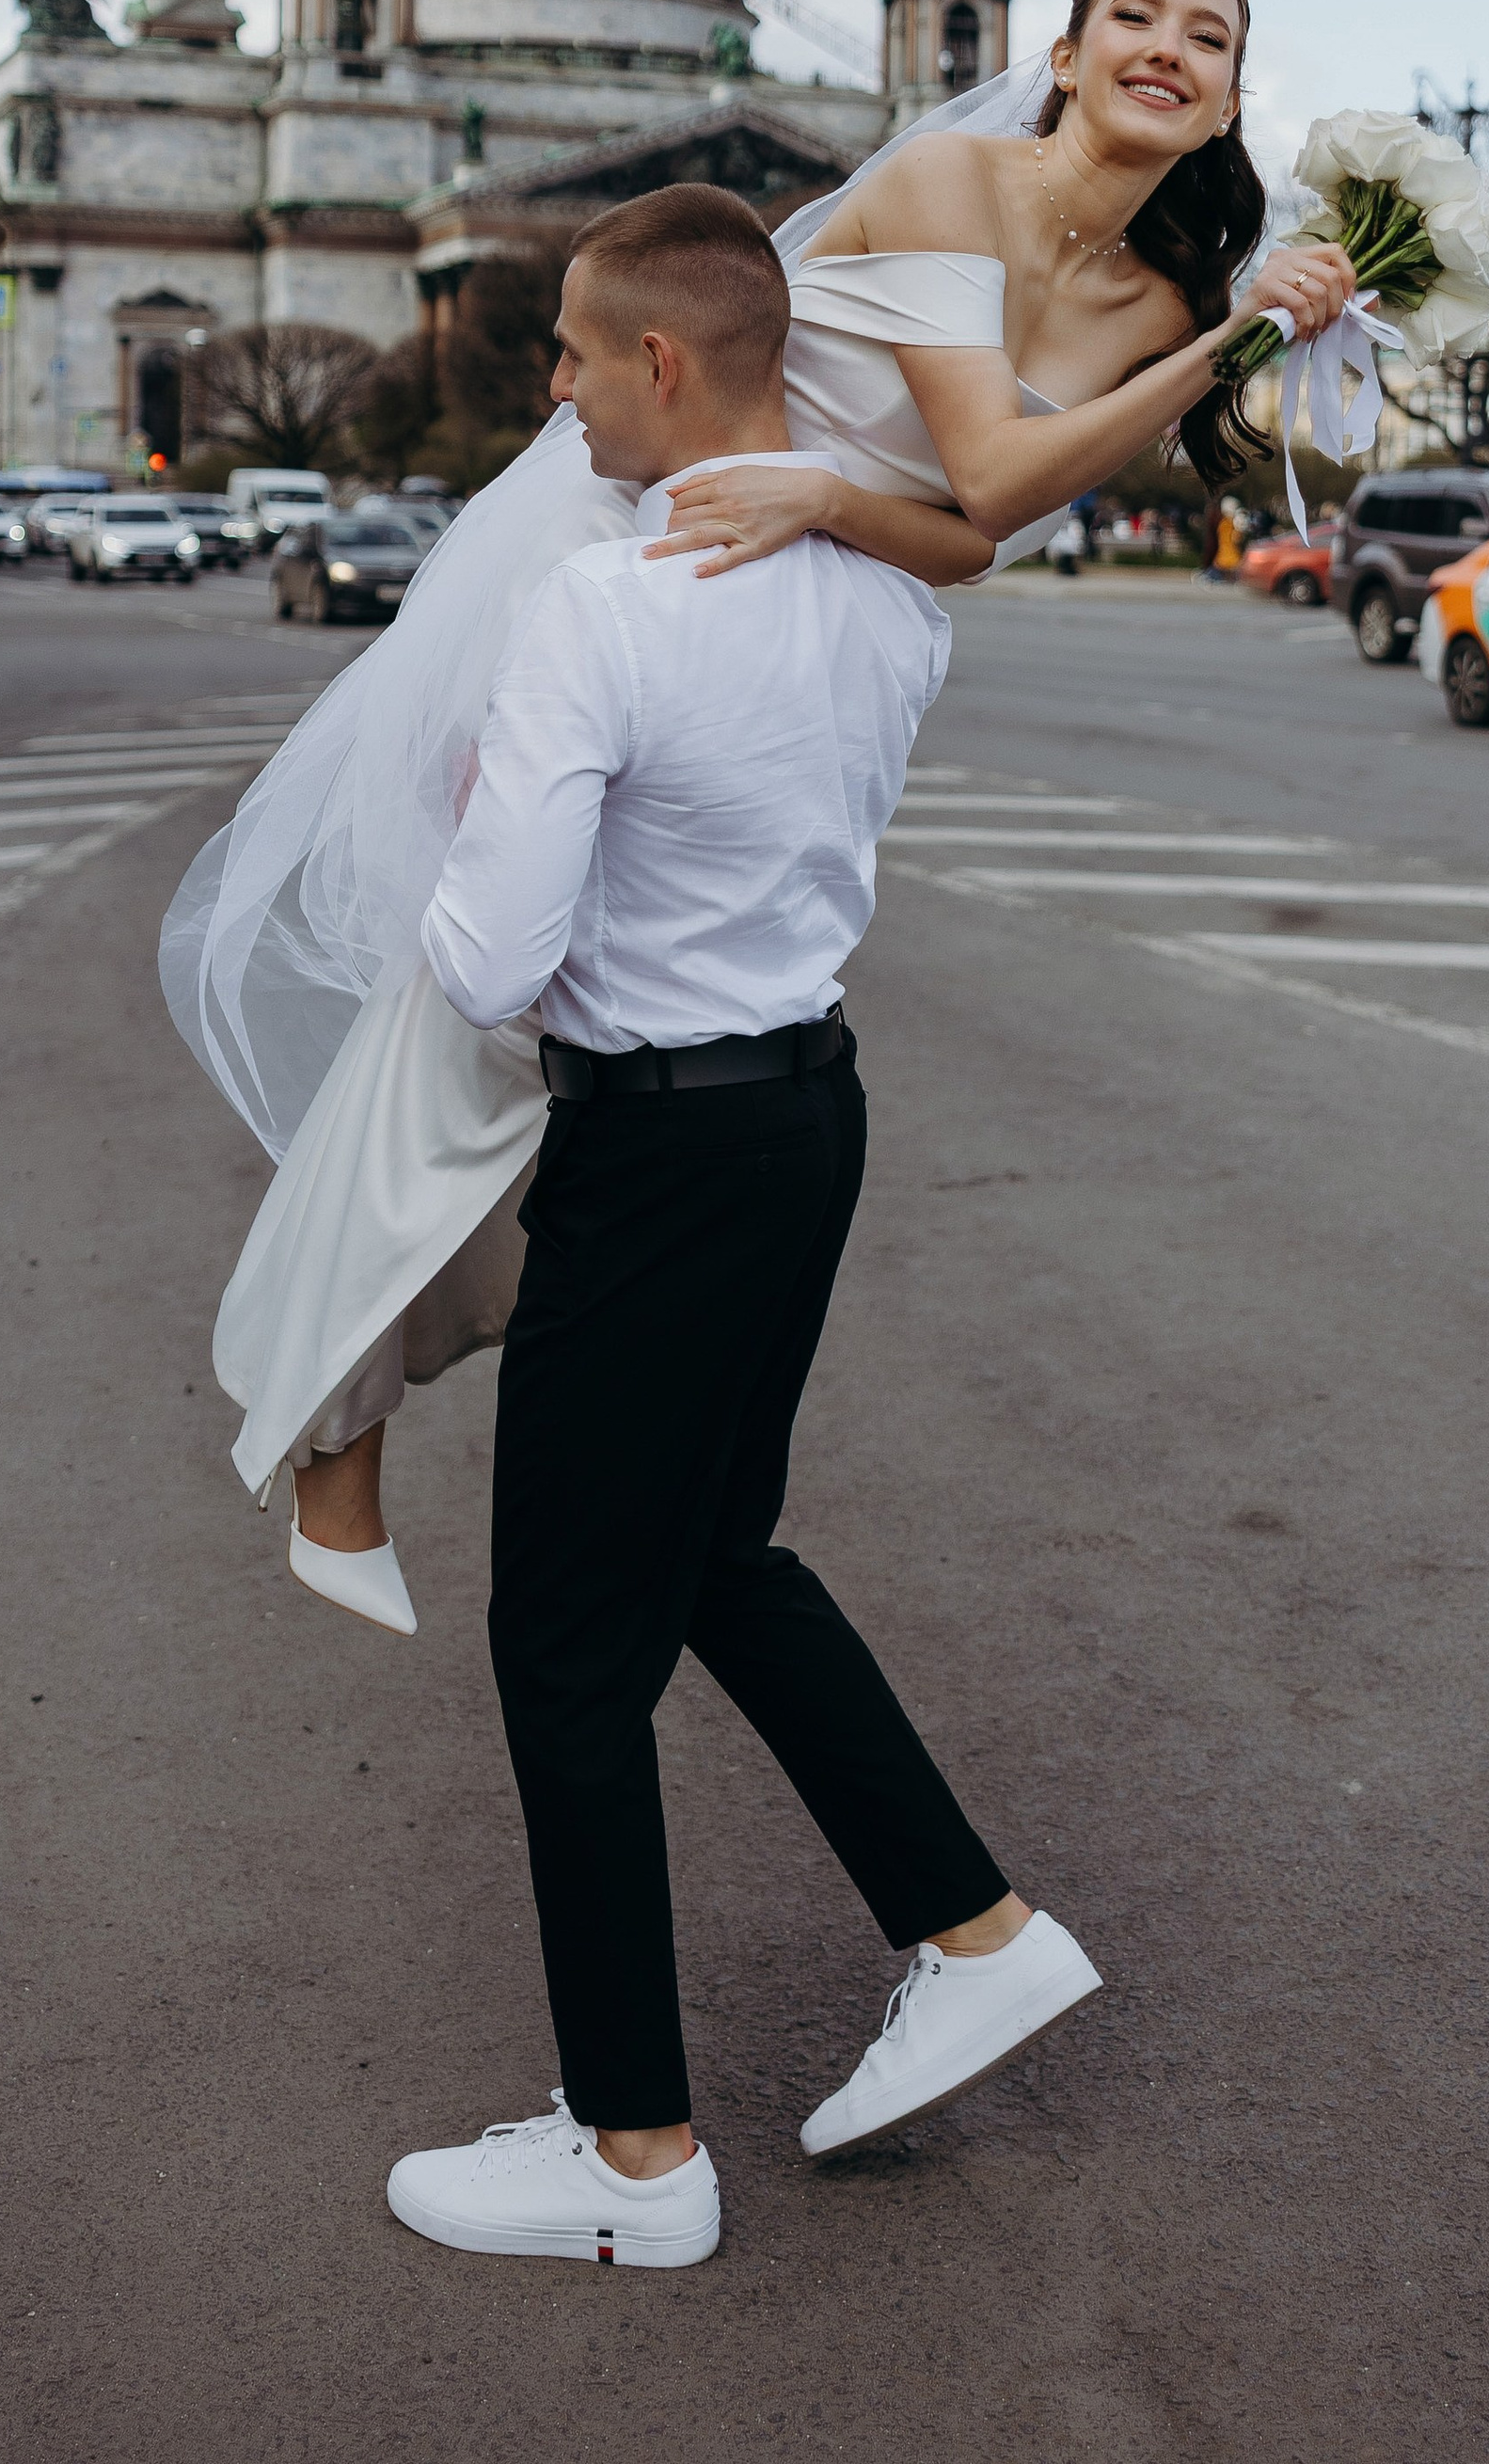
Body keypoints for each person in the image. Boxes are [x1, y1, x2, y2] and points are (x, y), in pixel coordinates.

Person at [161, 0, 1354, 1596]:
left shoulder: (1158, 297)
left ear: (1234, 92)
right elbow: (999, 472)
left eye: (1209, 36)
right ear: (1063, 55)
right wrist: (1223, 348)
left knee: (640, 998)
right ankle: (330, 1417)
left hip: (823, 591)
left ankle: (463, 1363)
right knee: (476, 1014)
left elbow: (966, 540)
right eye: (1133, 18)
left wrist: (834, 501)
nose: (1169, 49)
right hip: (666, 546)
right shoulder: (949, 175)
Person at [376, 185, 1100, 2267]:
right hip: (802, 1117)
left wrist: (455, 843)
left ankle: (632, 2161)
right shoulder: (884, 596)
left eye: (578, 360)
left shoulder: (603, 608)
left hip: (661, 1155)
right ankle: (970, 1928)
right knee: (709, 1558)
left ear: (665, 364)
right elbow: (933, 542)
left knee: (565, 1653)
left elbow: (499, 960)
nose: (562, 397)